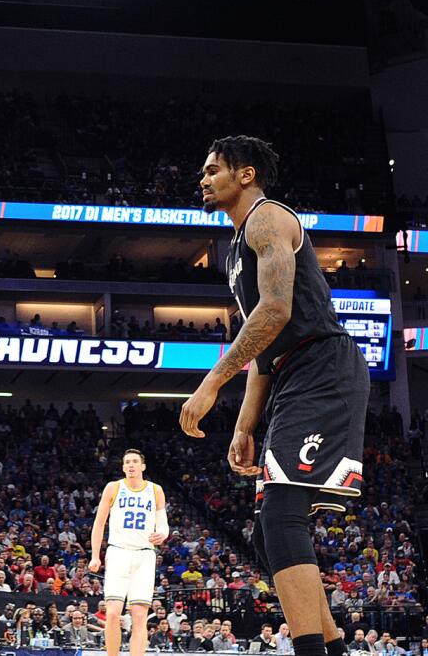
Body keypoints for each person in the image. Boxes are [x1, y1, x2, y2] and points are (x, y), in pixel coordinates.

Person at [182, 136, 368, 656]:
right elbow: (263, 350)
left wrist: (211, 382)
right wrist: (244, 426)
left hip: (322, 365)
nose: (203, 178)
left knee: (281, 514)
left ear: (245, 175)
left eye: (213, 169)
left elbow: (276, 312)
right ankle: (332, 648)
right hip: (291, 373)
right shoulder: (236, 256)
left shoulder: (267, 219)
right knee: (268, 534)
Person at [89, 449, 170, 656]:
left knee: (140, 616)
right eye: (127, 462)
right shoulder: (113, 488)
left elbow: (163, 525)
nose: (131, 465)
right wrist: (95, 556)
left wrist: (161, 534)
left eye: (135, 461)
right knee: (114, 613)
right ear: (123, 467)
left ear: (143, 466)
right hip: (118, 553)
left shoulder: (155, 490)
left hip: (145, 555)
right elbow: (99, 524)